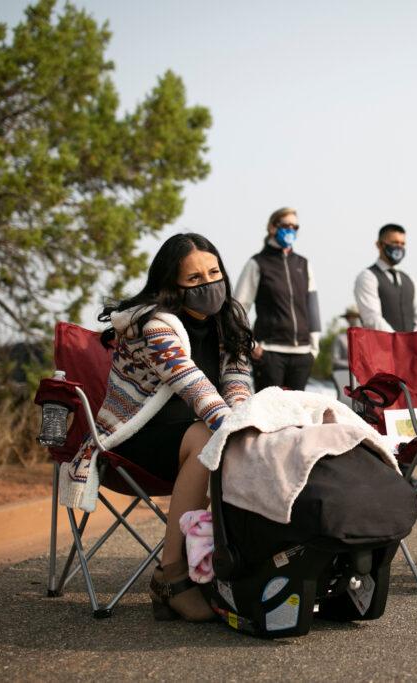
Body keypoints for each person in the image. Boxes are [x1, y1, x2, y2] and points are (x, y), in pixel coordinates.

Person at [60, 233, 254, 621]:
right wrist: (235, 431)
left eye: (214, 272)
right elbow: (194, 386)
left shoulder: (229, 318)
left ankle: (231, 564)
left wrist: (248, 422)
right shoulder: (154, 325)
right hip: (131, 439)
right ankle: (172, 577)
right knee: (211, 436)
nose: (208, 284)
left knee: (227, 438)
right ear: (172, 286)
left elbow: (236, 381)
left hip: (199, 435)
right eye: (194, 279)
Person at [234, 207, 321, 391]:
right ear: (272, 228)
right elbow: (237, 309)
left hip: (302, 355)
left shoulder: (303, 264)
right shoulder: (257, 263)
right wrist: (250, 345)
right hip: (269, 353)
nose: (290, 230)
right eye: (286, 225)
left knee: (298, 416)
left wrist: (314, 349)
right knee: (270, 416)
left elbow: (312, 307)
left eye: (295, 227)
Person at [354, 223, 417, 332]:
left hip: (412, 347)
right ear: (379, 245)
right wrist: (398, 342)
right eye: (394, 243)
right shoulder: (367, 277)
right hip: (381, 347)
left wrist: (415, 341)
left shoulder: (410, 280)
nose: (399, 247)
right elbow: (371, 318)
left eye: (402, 244)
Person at [331, 305, 360, 406]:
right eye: (352, 317)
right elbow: (335, 360)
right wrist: (353, 364)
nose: (355, 320)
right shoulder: (340, 338)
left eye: (357, 317)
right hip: (345, 375)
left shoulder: (367, 338)